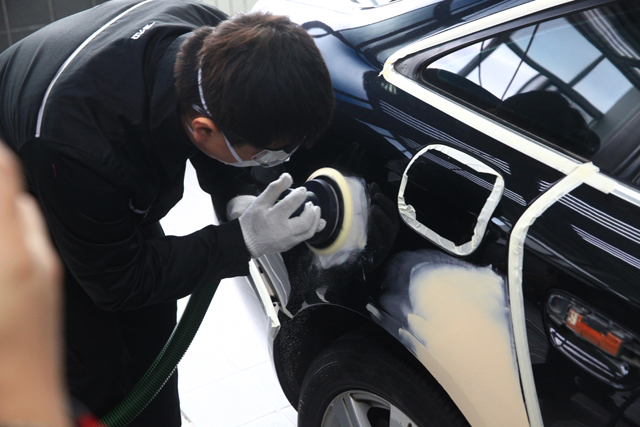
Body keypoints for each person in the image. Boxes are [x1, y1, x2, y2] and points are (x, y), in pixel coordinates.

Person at [0, 1, 334, 425]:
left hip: (74, 163)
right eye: (266, 155)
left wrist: (237, 194)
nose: (277, 161)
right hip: (20, 187)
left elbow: (227, 120)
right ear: (202, 130)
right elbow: (118, 281)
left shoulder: (213, 35)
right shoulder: (86, 147)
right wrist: (241, 240)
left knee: (152, 327)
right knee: (90, 358)